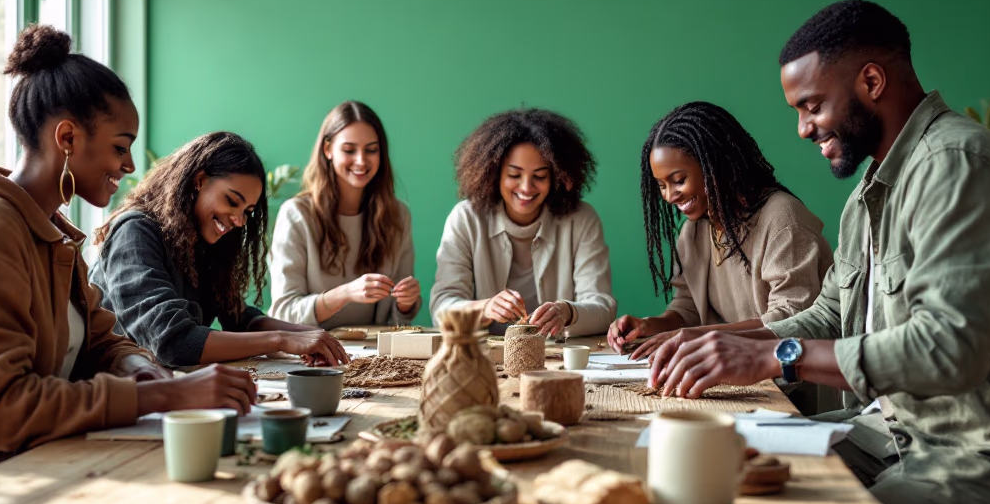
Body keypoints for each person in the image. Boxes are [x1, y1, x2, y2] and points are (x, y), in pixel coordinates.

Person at [648, 0, 990, 504]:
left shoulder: (959, 168)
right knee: (739, 470)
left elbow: (950, 350)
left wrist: (776, 355)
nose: (804, 128)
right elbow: (832, 313)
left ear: (871, 81)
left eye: (812, 106)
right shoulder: (870, 190)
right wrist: (722, 340)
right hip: (899, 439)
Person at [0, 24, 260, 493]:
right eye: (120, 147)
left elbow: (100, 341)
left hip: (22, 469)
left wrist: (140, 369)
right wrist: (163, 394)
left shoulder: (47, 232)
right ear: (67, 138)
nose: (128, 167)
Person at [91, 132, 348, 368]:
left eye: (247, 212)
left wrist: (304, 334)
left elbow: (238, 317)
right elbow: (174, 342)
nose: (238, 221)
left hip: (156, 385)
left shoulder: (202, 241)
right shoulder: (134, 231)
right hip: (112, 392)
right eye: (232, 201)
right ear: (199, 181)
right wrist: (281, 340)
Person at [607, 101, 831, 364]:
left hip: (794, 381)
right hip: (739, 374)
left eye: (679, 180)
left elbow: (791, 320)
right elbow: (688, 307)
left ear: (716, 166)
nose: (669, 196)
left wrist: (694, 336)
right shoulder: (693, 231)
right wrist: (649, 325)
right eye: (661, 185)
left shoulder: (783, 218)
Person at [431, 107, 616, 337]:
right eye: (514, 175)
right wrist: (485, 308)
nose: (526, 187)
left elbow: (603, 308)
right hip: (485, 357)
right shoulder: (466, 218)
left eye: (540, 176)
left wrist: (567, 312)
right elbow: (441, 308)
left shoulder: (582, 219)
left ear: (557, 177)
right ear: (494, 172)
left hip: (555, 359)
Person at [267, 101, 420, 328]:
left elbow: (398, 322)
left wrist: (405, 303)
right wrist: (346, 293)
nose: (361, 160)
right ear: (327, 149)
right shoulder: (297, 214)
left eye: (371, 150)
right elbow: (284, 312)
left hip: (375, 356)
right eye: (349, 150)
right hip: (312, 354)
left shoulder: (398, 215)